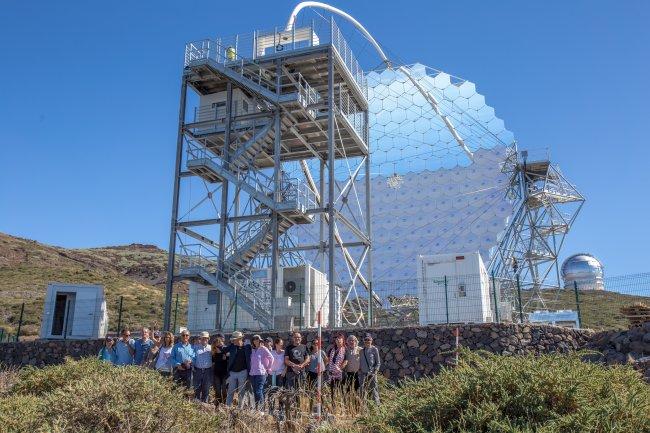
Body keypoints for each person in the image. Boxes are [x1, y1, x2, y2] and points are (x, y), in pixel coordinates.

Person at [226, 331, 252, 408]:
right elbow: (223, 350)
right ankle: (228, 407)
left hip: (243, 372)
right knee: (231, 390)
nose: (233, 341)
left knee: (242, 391)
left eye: (234, 339)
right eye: (233, 340)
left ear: (240, 339)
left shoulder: (247, 347)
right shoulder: (232, 346)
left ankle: (240, 408)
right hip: (232, 372)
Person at [249, 334, 273, 410]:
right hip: (252, 374)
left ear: (260, 340)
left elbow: (271, 358)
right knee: (255, 391)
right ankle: (257, 408)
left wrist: (268, 368)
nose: (256, 340)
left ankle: (262, 409)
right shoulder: (252, 350)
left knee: (258, 391)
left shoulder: (263, 349)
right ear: (252, 341)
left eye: (257, 339)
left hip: (261, 373)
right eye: (254, 339)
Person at [359, 333, 381, 404]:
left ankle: (377, 408)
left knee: (374, 390)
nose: (367, 341)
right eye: (366, 340)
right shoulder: (361, 351)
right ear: (363, 340)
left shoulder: (374, 349)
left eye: (368, 339)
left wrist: (375, 372)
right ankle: (363, 408)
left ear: (371, 340)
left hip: (372, 374)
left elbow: (378, 363)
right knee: (363, 391)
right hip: (363, 374)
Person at [192, 331, 213, 403]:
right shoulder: (195, 348)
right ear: (200, 339)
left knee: (206, 387)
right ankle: (197, 403)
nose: (204, 340)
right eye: (202, 338)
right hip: (198, 370)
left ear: (208, 339)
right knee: (197, 387)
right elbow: (192, 357)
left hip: (208, 370)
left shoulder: (211, 348)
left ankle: (205, 404)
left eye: (206, 338)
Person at [327, 332, 347, 403]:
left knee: (342, 392)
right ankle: (334, 407)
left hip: (340, 374)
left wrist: (339, 369)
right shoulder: (331, 350)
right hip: (332, 374)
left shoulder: (345, 350)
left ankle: (343, 407)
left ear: (343, 340)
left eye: (340, 338)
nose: (338, 340)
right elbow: (328, 360)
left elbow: (345, 361)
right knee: (333, 392)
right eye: (337, 339)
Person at [211, 333, 229, 407]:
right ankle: (217, 406)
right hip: (217, 373)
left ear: (223, 340)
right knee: (217, 391)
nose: (219, 340)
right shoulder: (214, 349)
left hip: (225, 373)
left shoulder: (225, 348)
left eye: (220, 339)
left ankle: (224, 405)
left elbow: (228, 358)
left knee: (224, 390)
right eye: (218, 339)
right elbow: (213, 360)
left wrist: (224, 356)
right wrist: (222, 356)